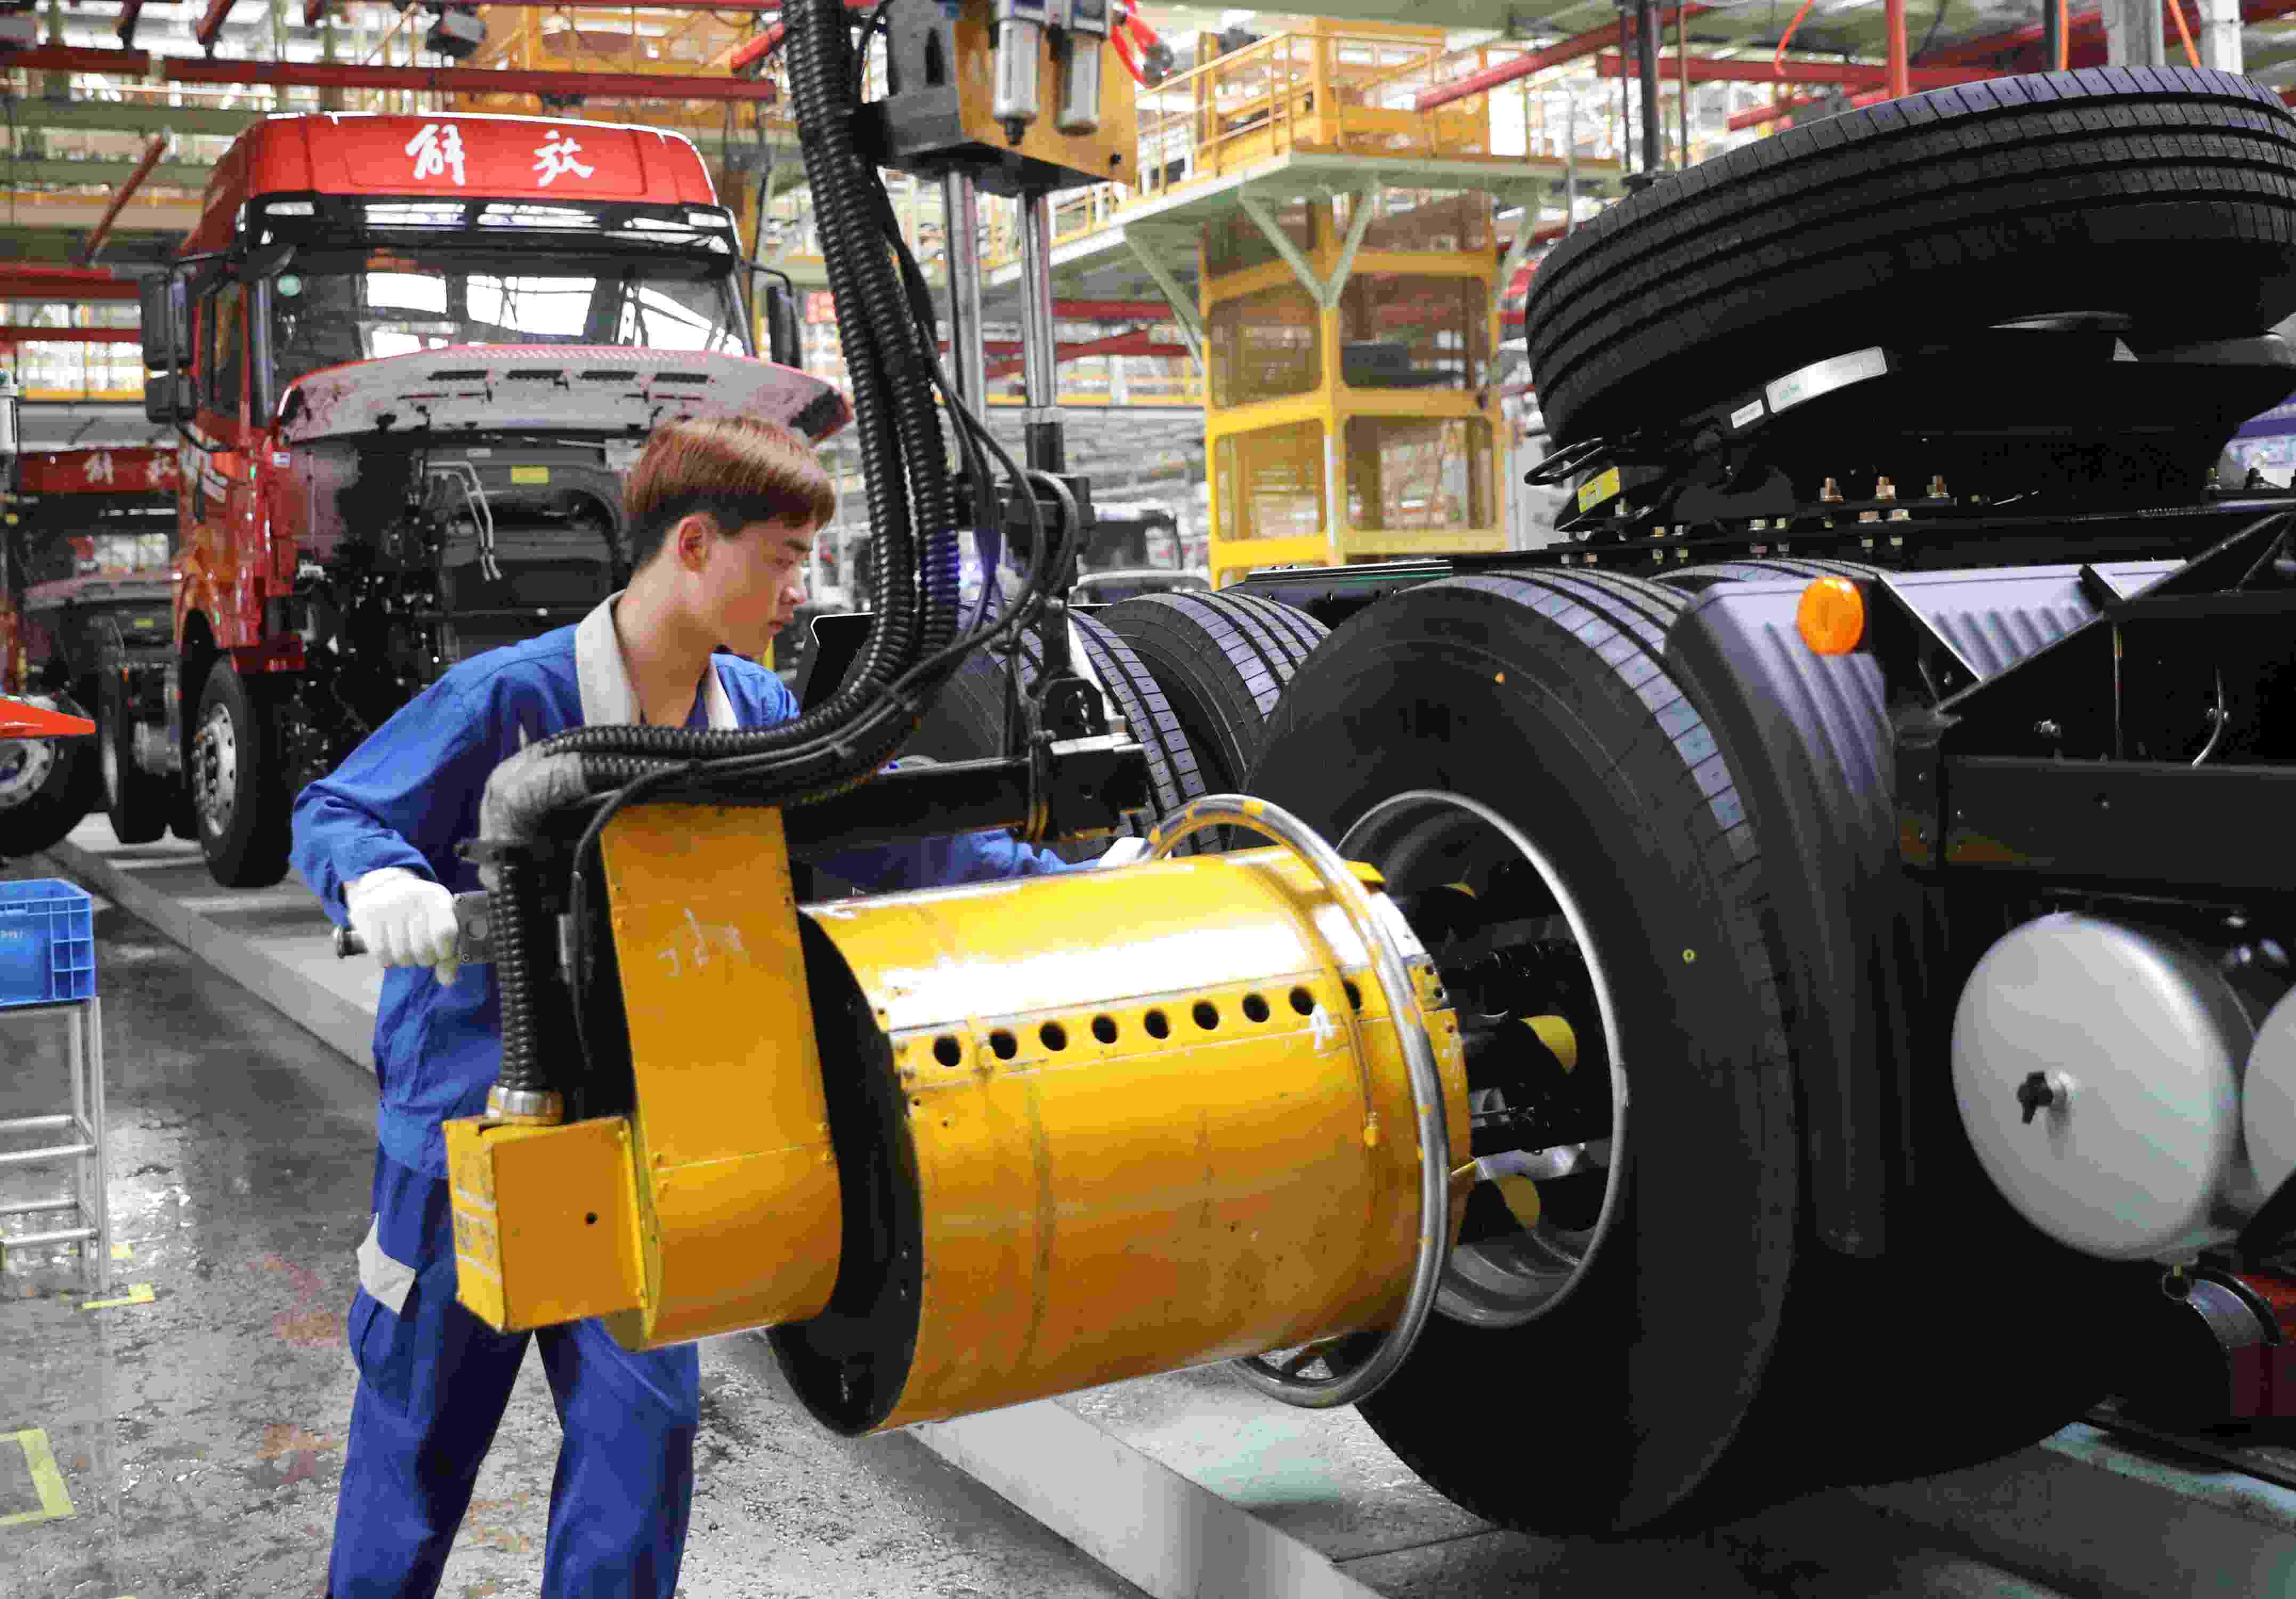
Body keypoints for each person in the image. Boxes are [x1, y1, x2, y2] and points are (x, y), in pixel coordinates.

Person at [291, 414, 1110, 1599]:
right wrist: (381, 882)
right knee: (417, 1445)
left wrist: (1073, 885)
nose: (799, 589)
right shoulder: (508, 700)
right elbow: (336, 809)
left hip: (645, 1139)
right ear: (692, 546)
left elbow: (888, 837)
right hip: (465, 1142)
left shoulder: (758, 714)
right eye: (783, 558)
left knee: (641, 1448)